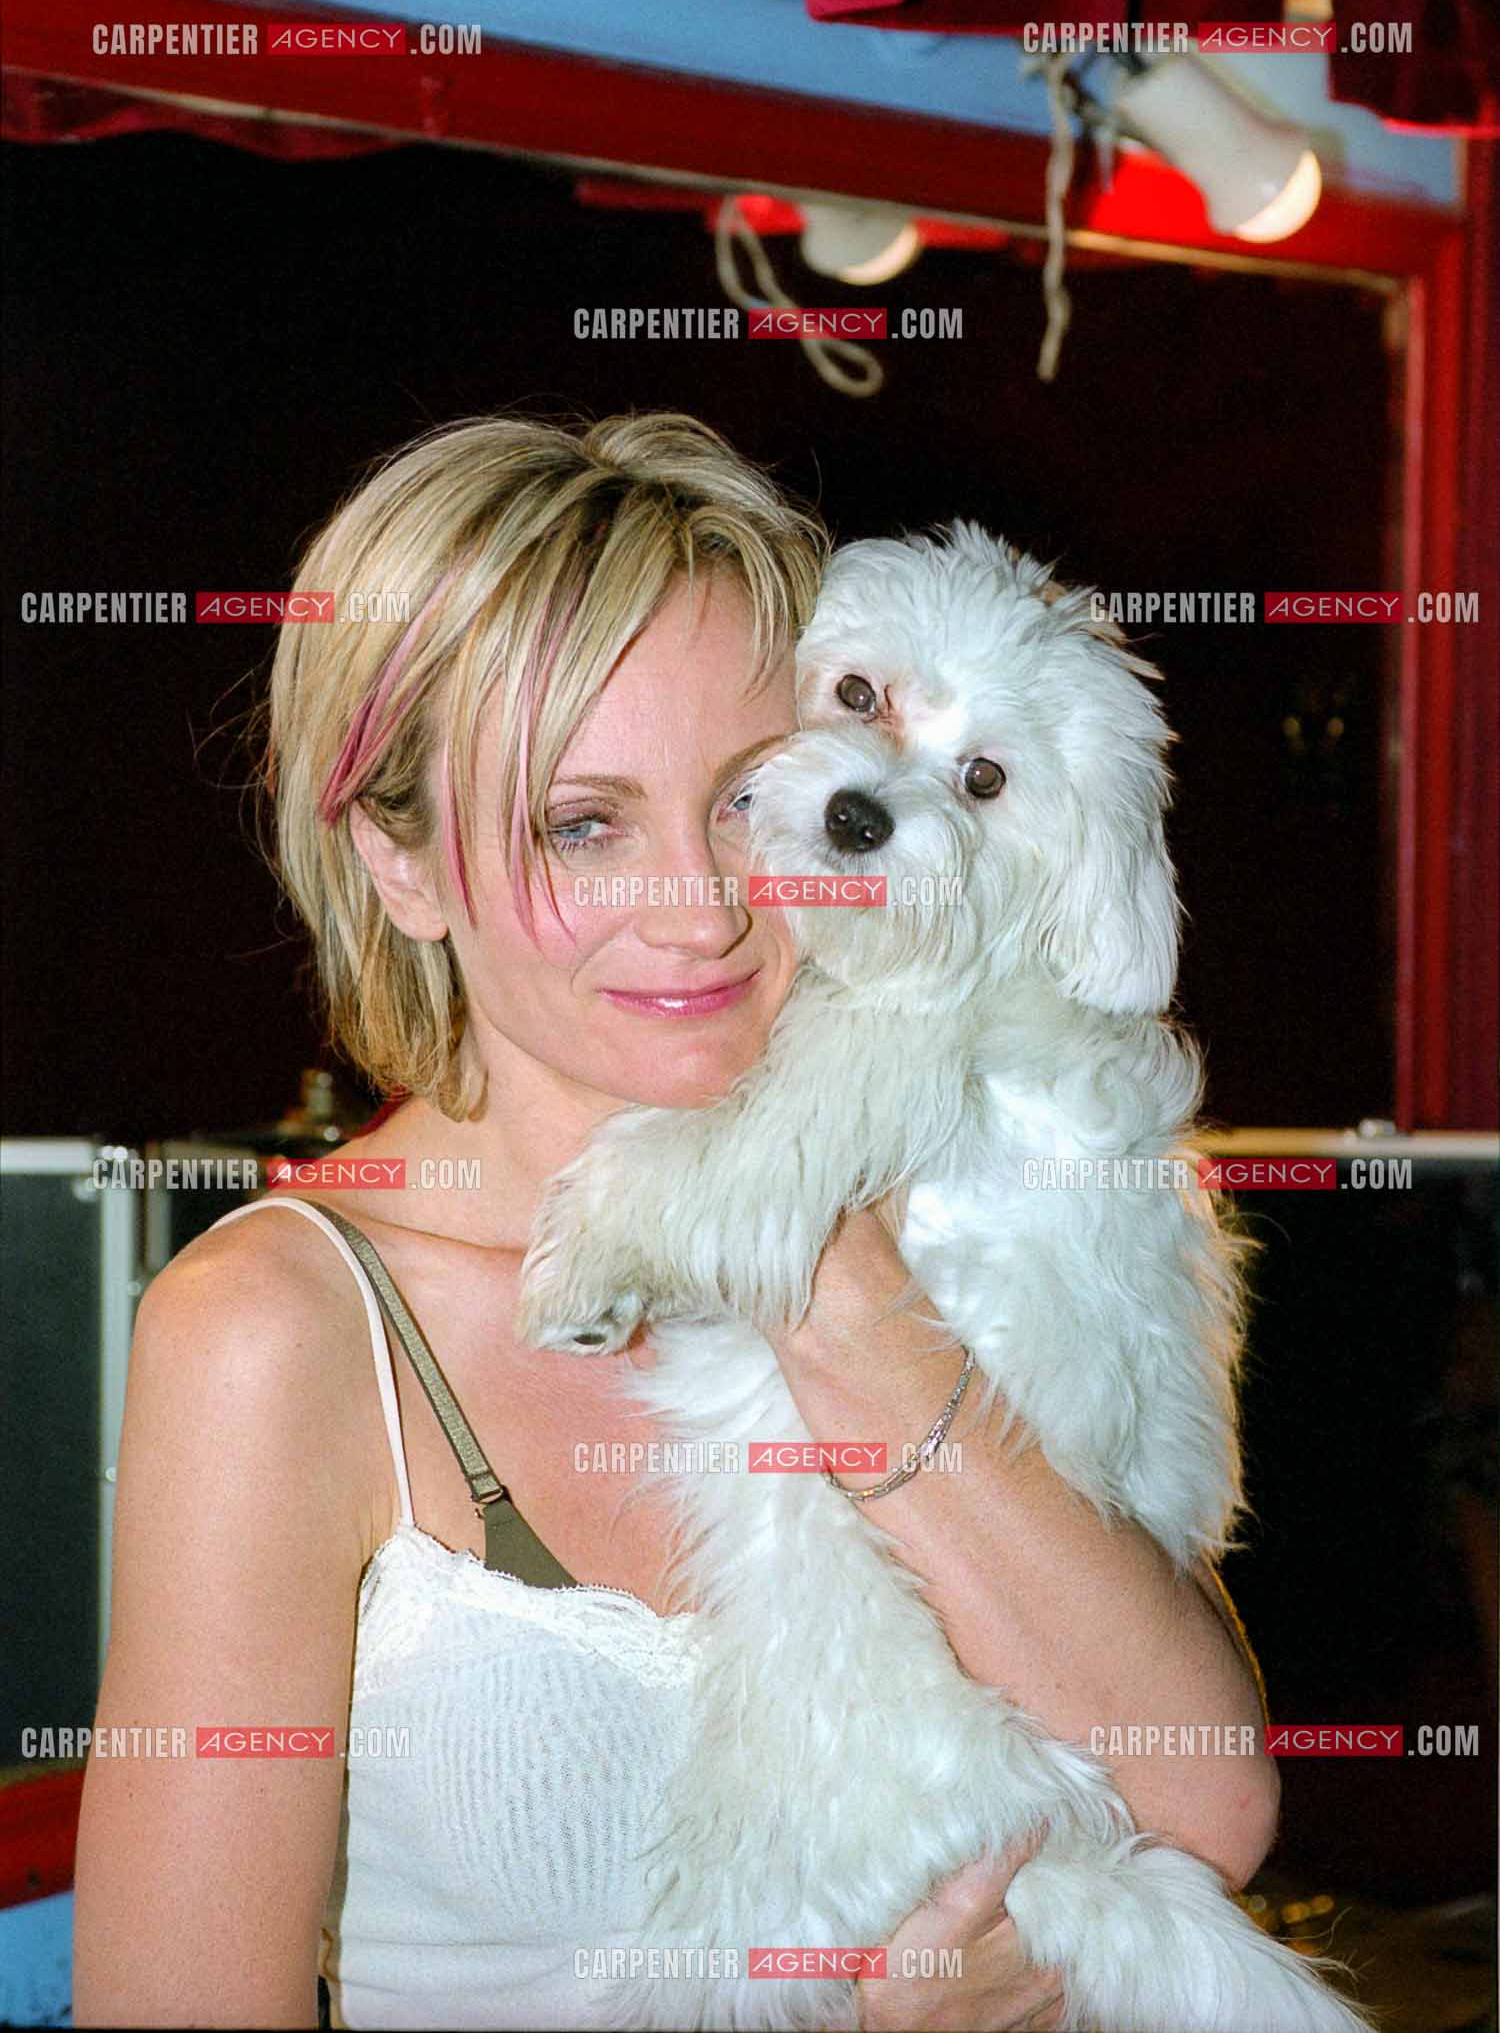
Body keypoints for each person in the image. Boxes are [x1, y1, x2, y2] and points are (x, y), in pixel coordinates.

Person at [71, 411, 1276, 2032]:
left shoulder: (947, 1196)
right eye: (585, 822)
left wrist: (842, 1298)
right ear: (397, 857)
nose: (702, 906)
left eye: (735, 797)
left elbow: (1211, 1806)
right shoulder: (277, 1335)